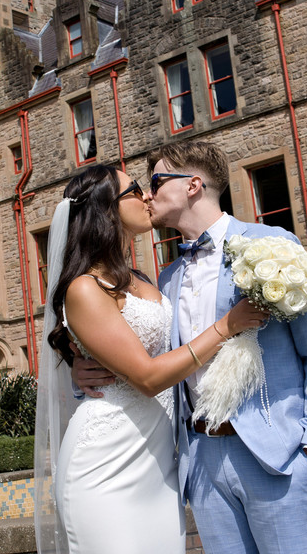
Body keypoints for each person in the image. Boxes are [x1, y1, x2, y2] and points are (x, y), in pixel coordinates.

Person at [75, 141, 307, 554]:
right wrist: (82, 368)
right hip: (199, 461)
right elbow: (143, 357)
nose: (148, 194)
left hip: (276, 457)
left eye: (158, 181)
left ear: (193, 185)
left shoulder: (272, 246)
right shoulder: (163, 281)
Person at [35, 164, 267, 554]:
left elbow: (157, 343)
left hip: (160, 464)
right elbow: (146, 377)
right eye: (134, 190)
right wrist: (228, 325)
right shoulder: (84, 289)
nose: (146, 196)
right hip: (105, 465)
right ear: (104, 209)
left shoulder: (143, 280)